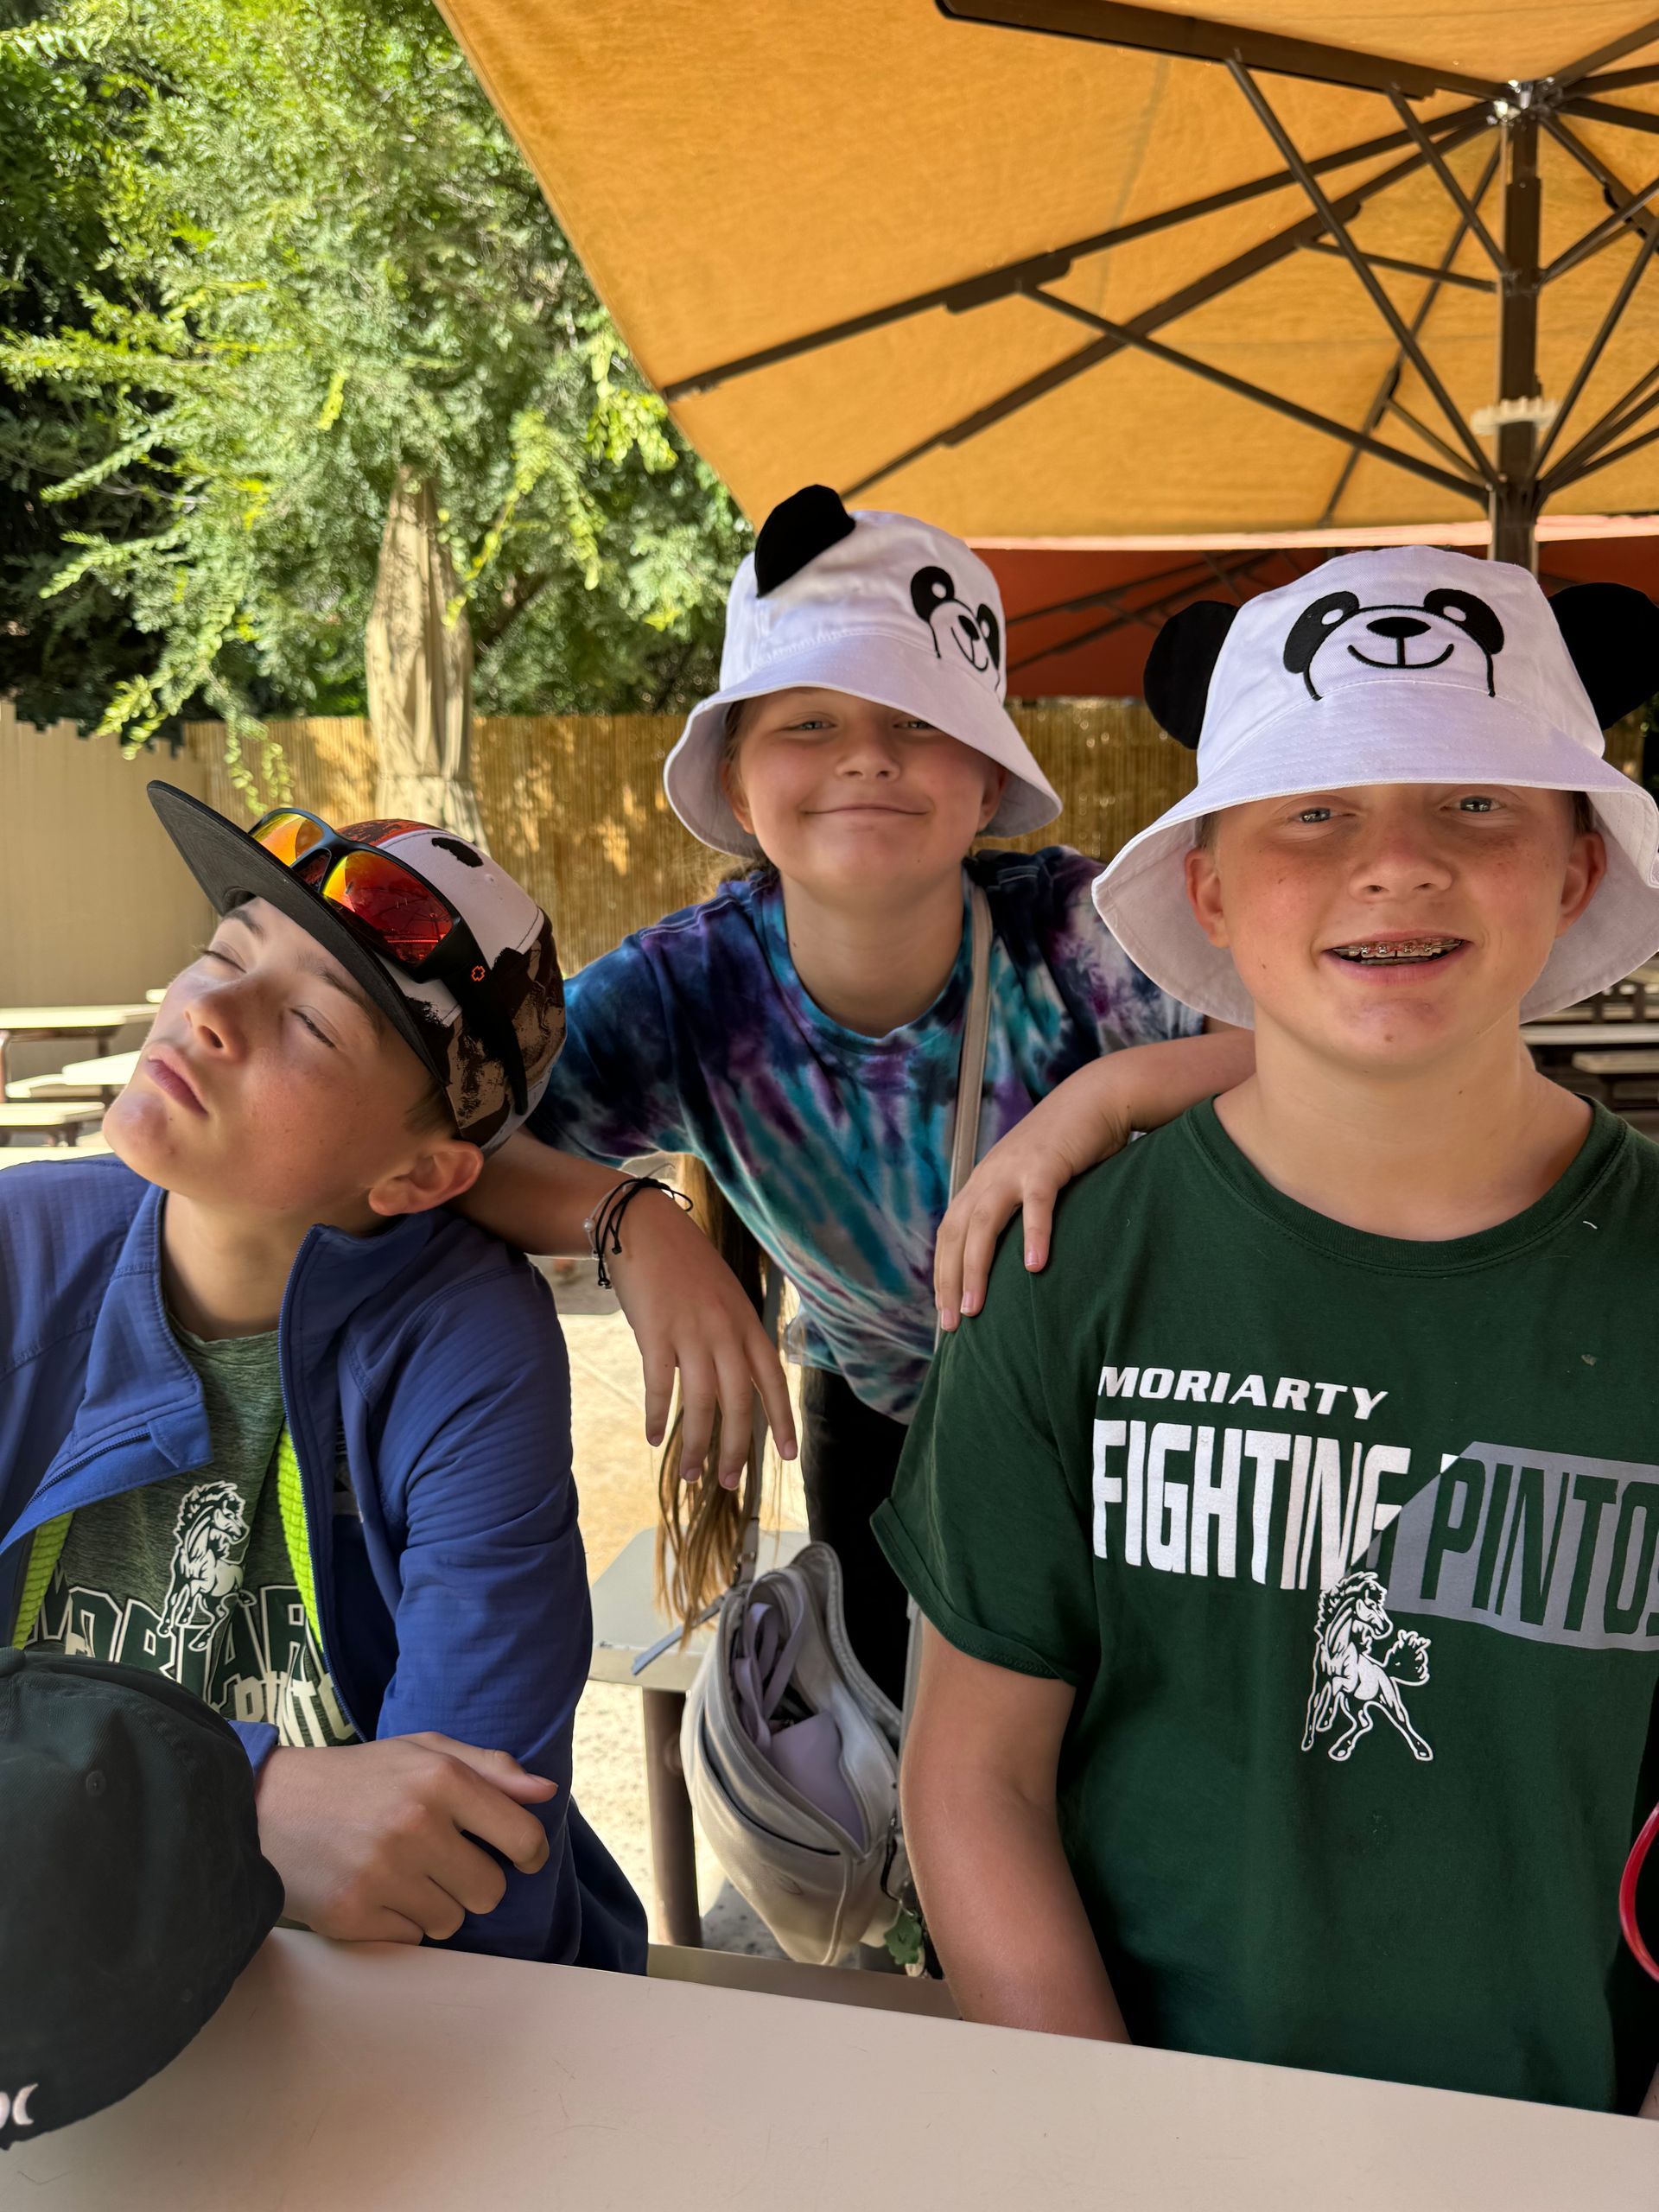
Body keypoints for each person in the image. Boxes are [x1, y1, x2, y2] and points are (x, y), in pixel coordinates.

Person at [877, 549, 1659, 2113]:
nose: (1398, 864)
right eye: (1315, 810)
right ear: (1213, 890)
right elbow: (974, 1779)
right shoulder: (1060, 1275)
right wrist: (1118, 2149)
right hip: (1156, 2141)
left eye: (1477, 801)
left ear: (1577, 869)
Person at [460, 484, 1247, 1702]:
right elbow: (450, 1152)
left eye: (917, 722)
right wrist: (634, 1221)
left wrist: (1111, 1094)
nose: (868, 754)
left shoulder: (1083, 940)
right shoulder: (685, 992)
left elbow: (1321, 1057)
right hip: (878, 1442)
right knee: (895, 1769)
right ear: (736, 784)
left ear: (988, 786)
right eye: (811, 721)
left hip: (1133, 1440)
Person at [0, 786, 644, 1969]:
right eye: (222, 953)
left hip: (374, 2020)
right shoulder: (18, 1257)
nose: (210, 1013)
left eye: (312, 1023)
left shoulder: (467, 1347)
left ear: (419, 1178)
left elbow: (470, 1859)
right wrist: (242, 1797)